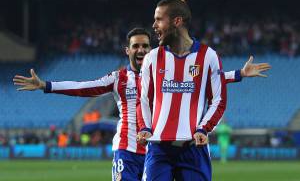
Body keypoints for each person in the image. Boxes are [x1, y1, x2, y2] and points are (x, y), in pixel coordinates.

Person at [13, 27, 270, 181]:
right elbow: (85, 87)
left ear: (152, 48)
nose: (141, 50)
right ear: (127, 50)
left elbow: (206, 80)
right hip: (126, 150)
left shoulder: (165, 73)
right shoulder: (119, 78)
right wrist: (46, 86)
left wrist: (238, 74)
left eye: (145, 45)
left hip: (157, 151)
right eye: (135, 46)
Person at [136, 0, 270, 181]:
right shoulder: (152, 58)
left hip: (193, 149)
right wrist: (145, 127)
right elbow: (143, 98)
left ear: (177, 21)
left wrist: (203, 129)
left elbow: (218, 100)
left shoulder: (208, 56)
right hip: (159, 149)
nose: (153, 25)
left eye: (159, 19)